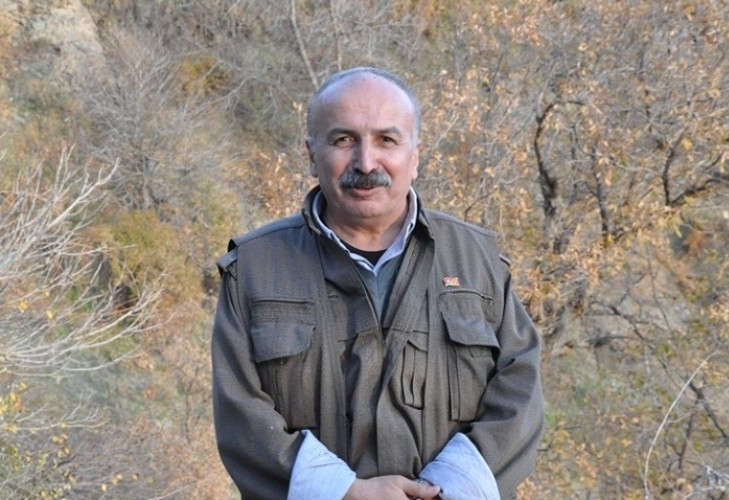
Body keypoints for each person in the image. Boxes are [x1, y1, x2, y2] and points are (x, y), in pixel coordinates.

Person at [211, 66, 544, 500]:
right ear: (311, 154)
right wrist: (344, 493)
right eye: (343, 140)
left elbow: (519, 391)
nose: (366, 162)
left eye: (386, 139)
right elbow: (241, 415)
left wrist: (446, 490)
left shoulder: (478, 260)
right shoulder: (254, 269)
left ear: (415, 156)